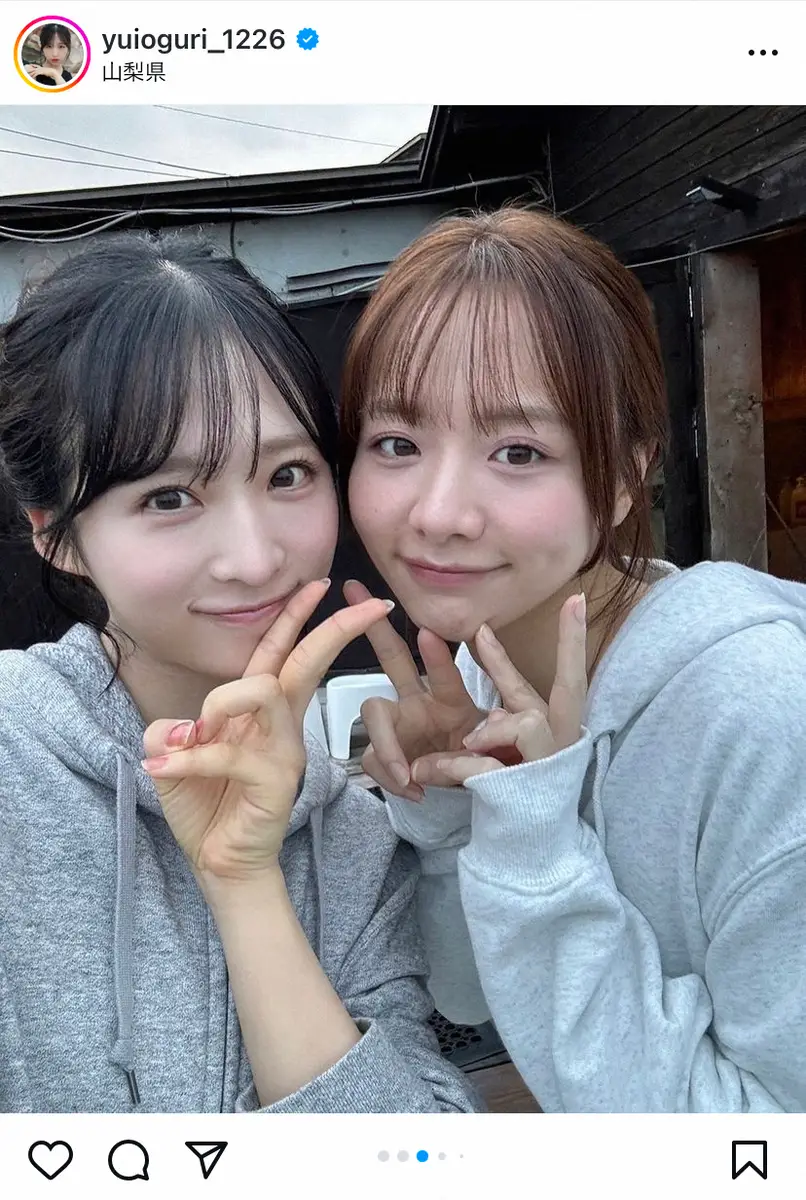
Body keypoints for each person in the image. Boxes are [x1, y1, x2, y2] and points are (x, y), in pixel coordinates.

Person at [339, 206, 806, 1113]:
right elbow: (473, 999)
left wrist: (540, 843)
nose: (438, 514)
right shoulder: (490, 671)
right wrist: (454, 813)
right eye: (396, 444)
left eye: (518, 451)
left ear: (627, 473)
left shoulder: (760, 712)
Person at [0, 234, 479, 1115]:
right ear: (54, 534)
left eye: (288, 474)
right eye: (168, 497)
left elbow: (416, 1158)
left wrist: (245, 883)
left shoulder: (351, 840)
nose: (256, 559)